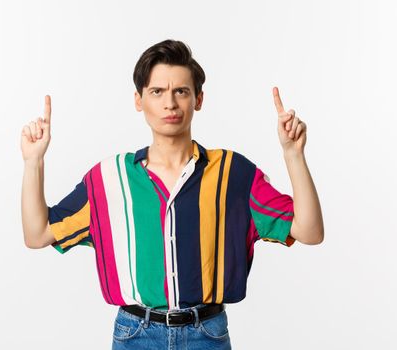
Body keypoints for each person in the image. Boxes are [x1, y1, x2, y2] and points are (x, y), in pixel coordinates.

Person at [20, 39, 324, 350]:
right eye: (157, 92)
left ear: (198, 99)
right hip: (135, 335)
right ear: (139, 100)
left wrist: (293, 154)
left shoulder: (234, 173)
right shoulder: (109, 178)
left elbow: (309, 231)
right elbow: (38, 234)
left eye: (181, 91)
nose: (170, 103)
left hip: (207, 334)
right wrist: (34, 162)